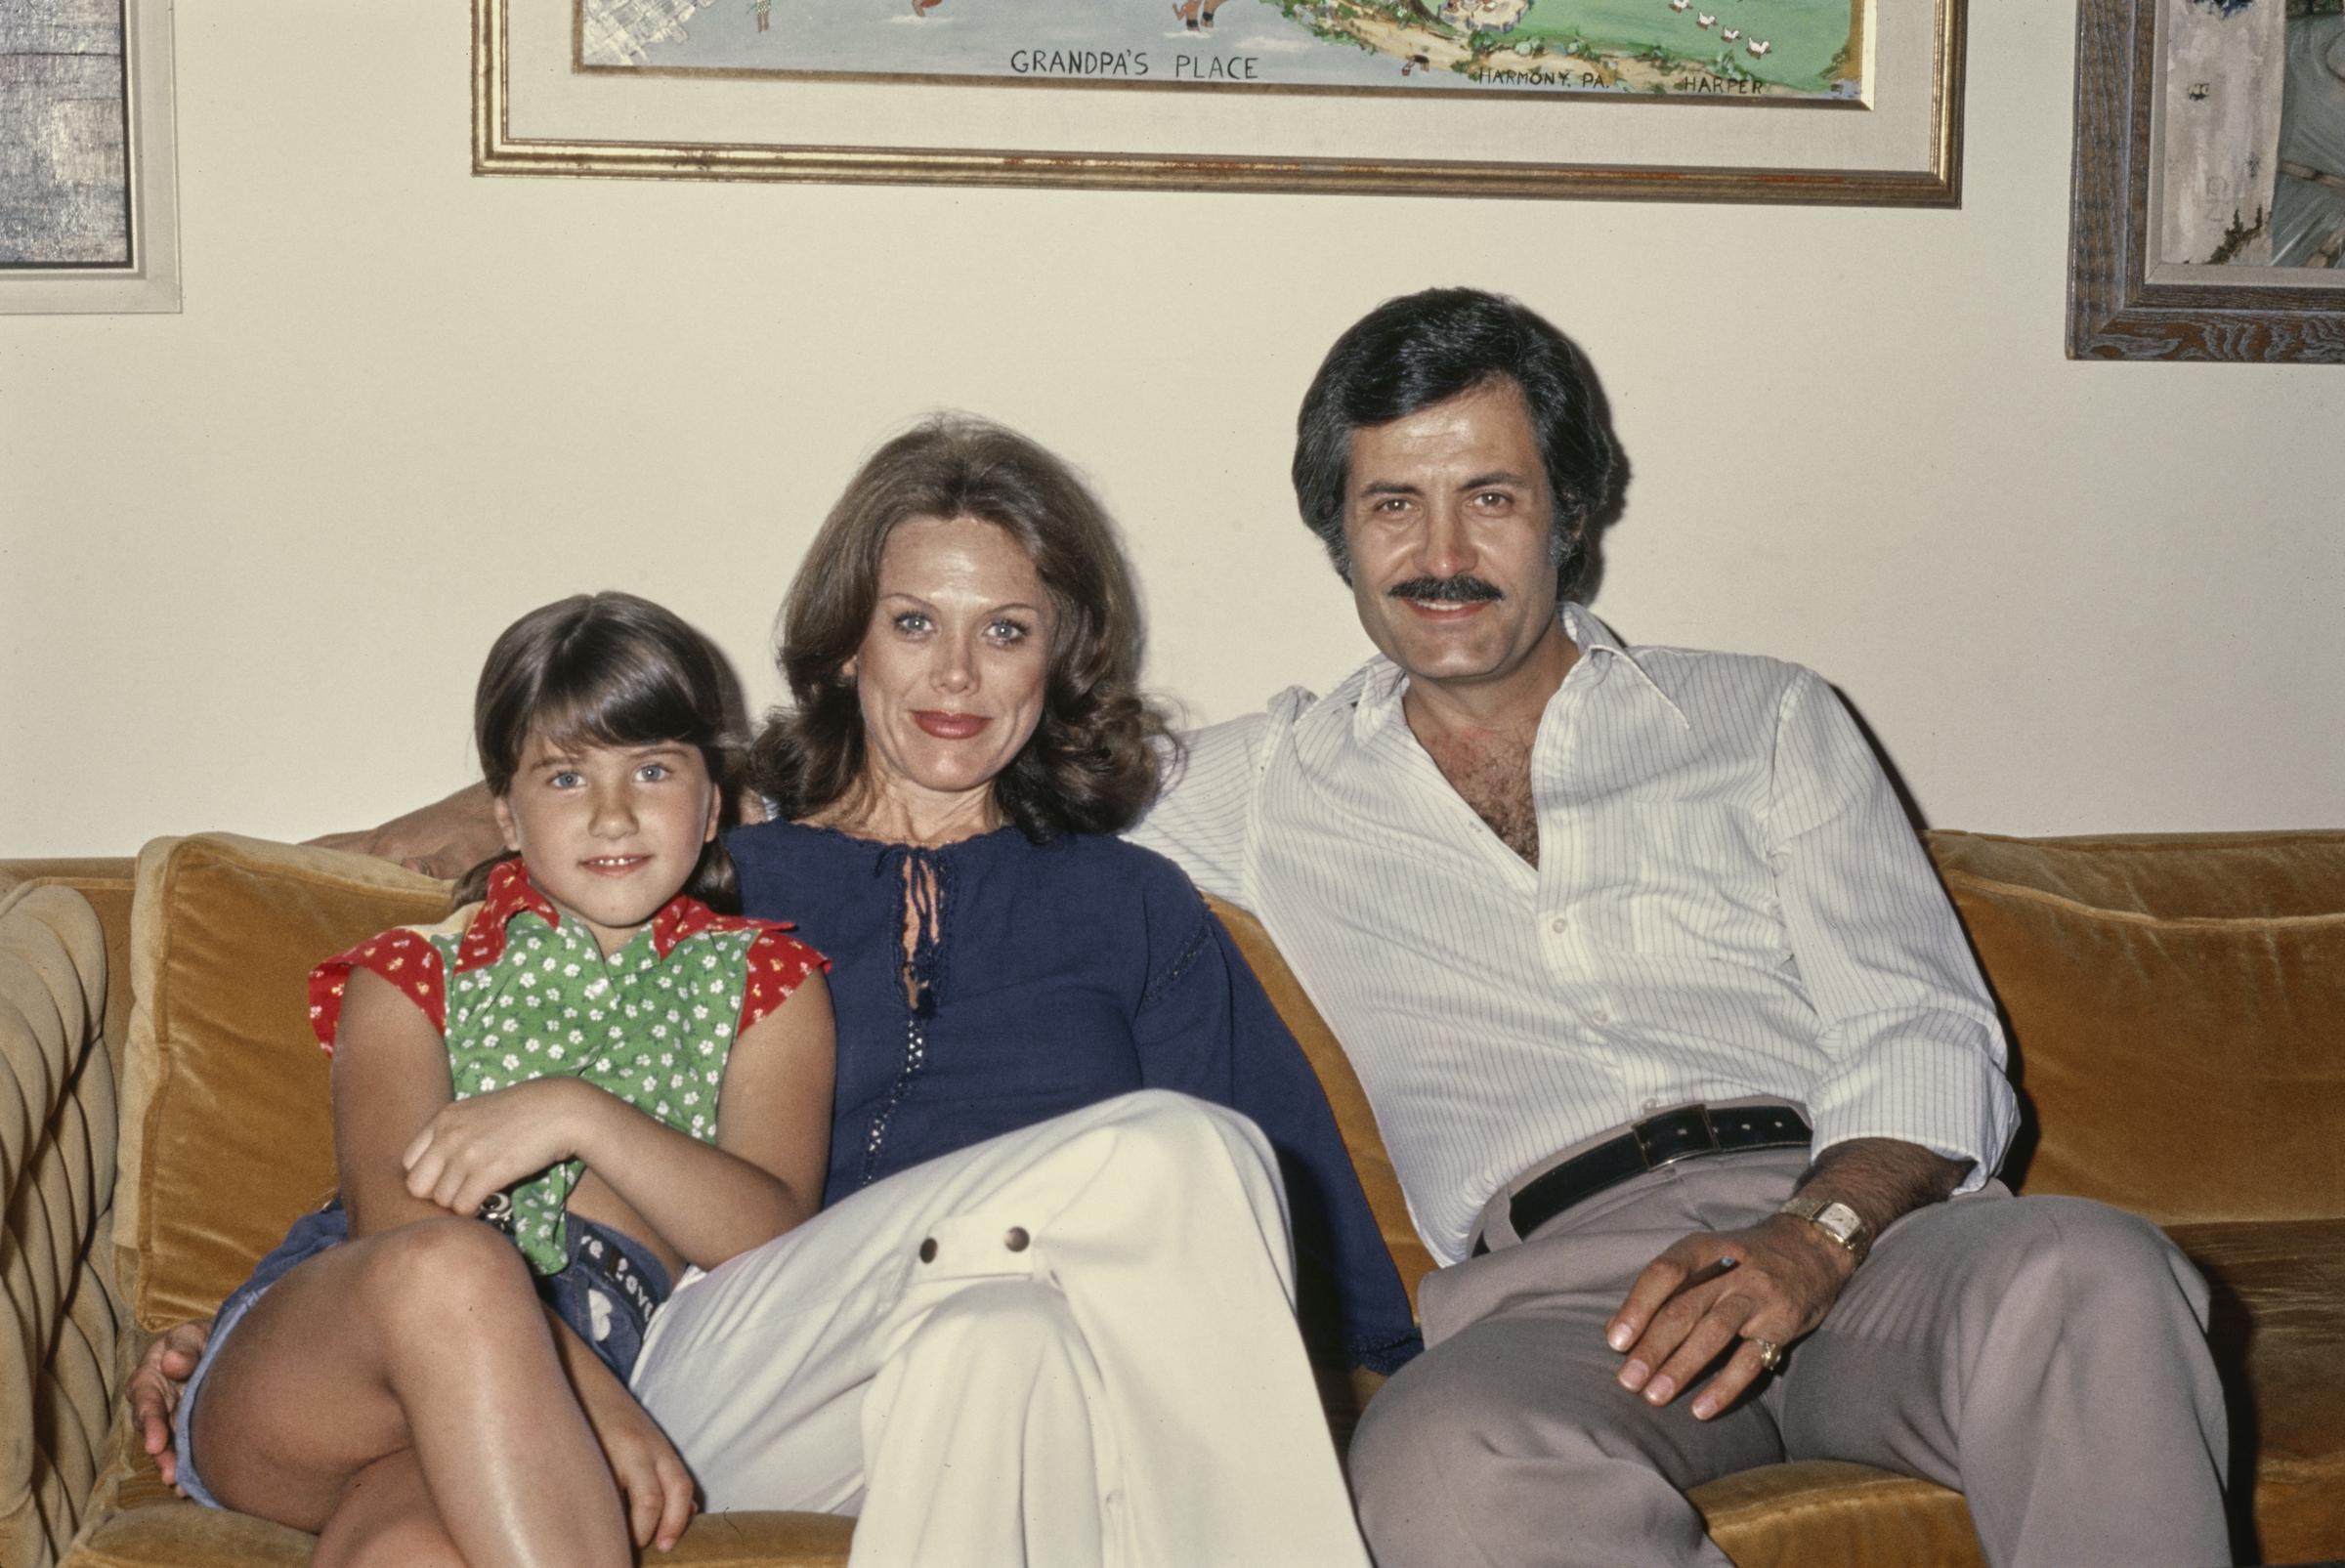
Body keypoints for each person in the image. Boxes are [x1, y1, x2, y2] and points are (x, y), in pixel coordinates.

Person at [135, 417, 1415, 1568]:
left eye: (1006, 631)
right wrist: (247, 1313)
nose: (958, 678)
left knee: (1010, 1335)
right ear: (847, 641)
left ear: (1058, 657)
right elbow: (466, 1036)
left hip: (922, 1377)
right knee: (1168, 1152)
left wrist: (1414, 1376)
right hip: (706, 1358)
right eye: (916, 623)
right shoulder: (716, 867)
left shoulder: (1136, 907)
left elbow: (1292, 1239)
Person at [1124, 286, 2235, 1566]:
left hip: (1858, 1235)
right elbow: (983, 778)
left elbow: (1916, 1017)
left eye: (1492, 495)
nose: (1443, 553)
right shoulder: (1272, 785)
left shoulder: (1761, 717)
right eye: (1393, 504)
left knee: (2094, 1268)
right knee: (1443, 1464)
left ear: (1570, 513)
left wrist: (1816, 1238)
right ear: (1340, 534)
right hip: (1572, 1300)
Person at [162, 591, 836, 1568]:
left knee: (410, 1551)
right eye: (565, 777)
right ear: (506, 815)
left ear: (716, 800)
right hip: (332, 1367)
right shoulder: (412, 972)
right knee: (457, 1266)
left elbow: (772, 1240)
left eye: (653, 769)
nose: (614, 813)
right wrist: (588, 1402)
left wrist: (579, 1116)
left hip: (552, 1387)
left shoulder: (768, 987)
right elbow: (399, 1231)